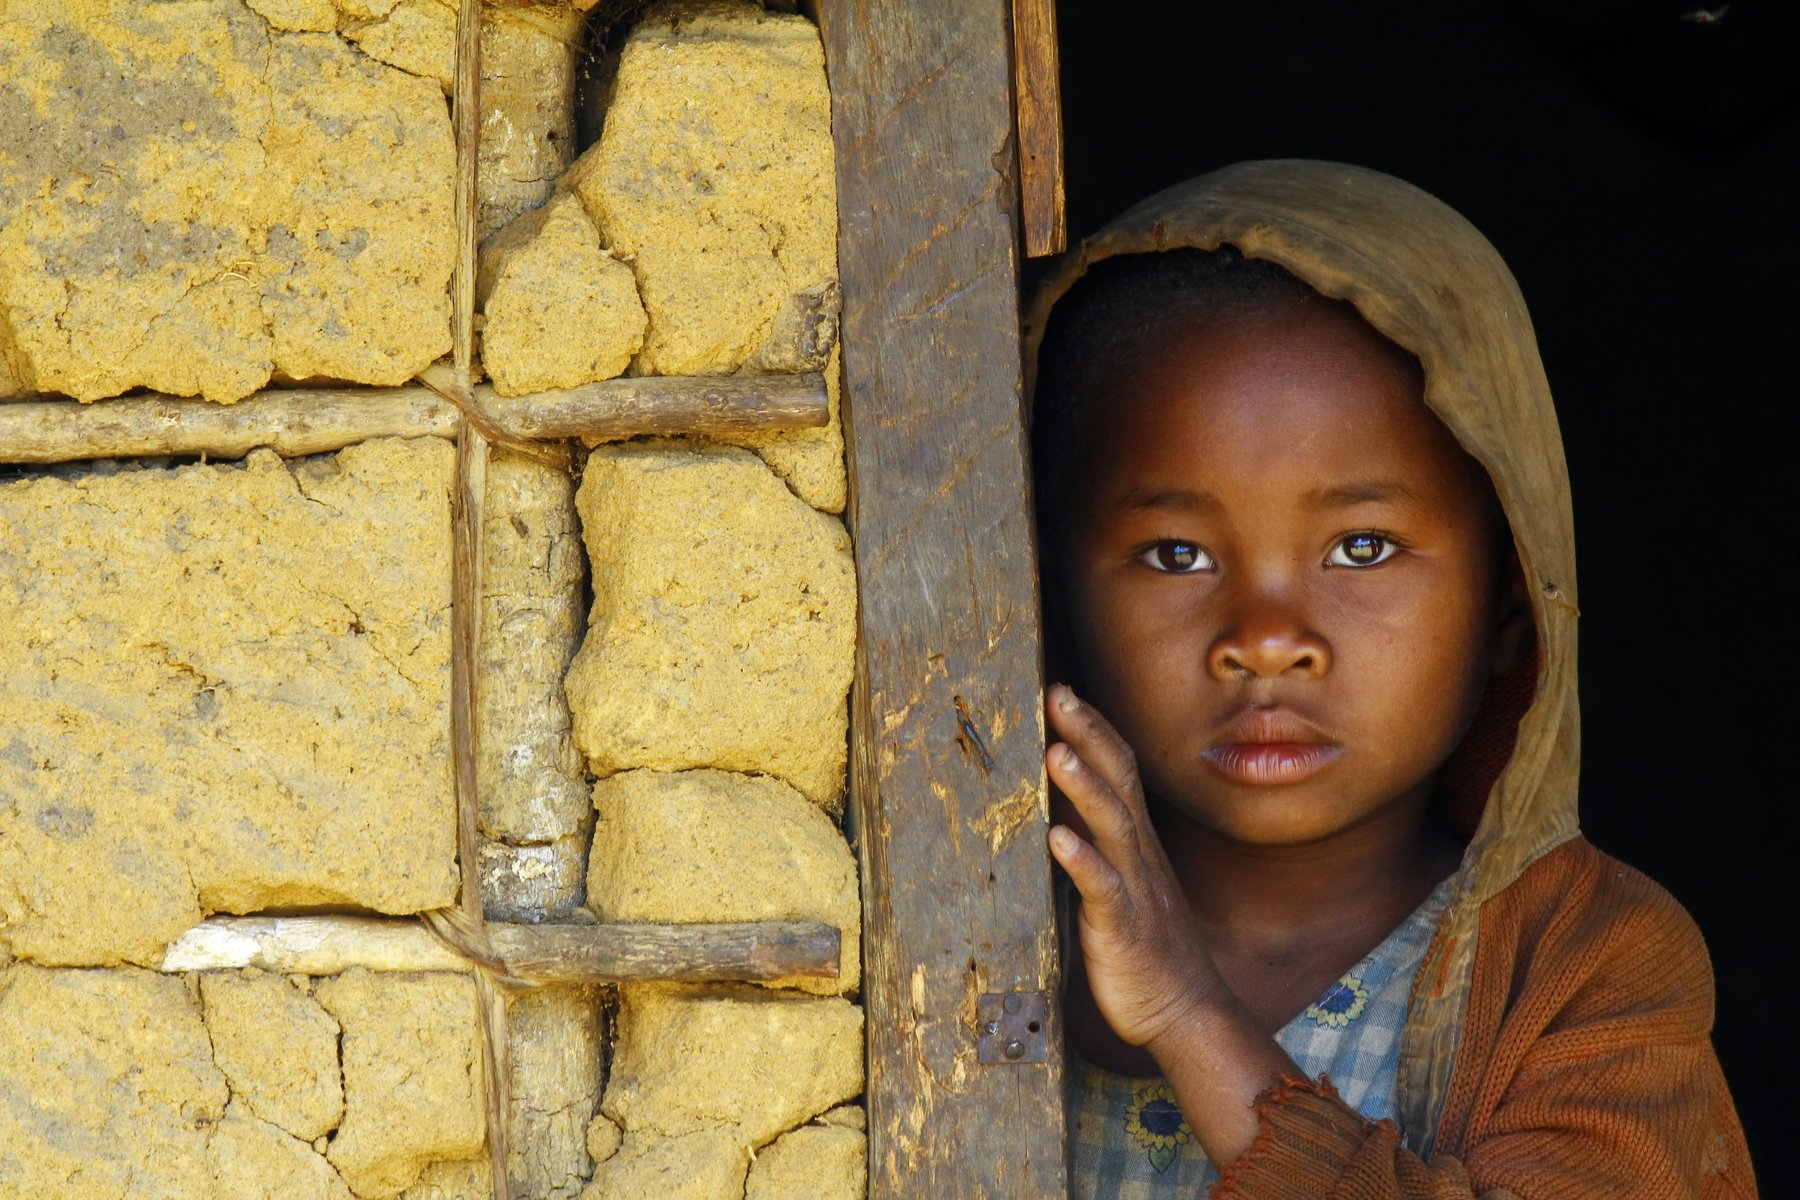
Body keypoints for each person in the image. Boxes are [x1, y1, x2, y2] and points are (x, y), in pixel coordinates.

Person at [1024, 160, 1756, 1198]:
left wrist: (1192, 1017)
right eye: (1177, 555)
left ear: (1514, 603)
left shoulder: (1583, 962)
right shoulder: (964, 916)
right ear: (1044, 598)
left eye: (1362, 547)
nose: (1267, 639)